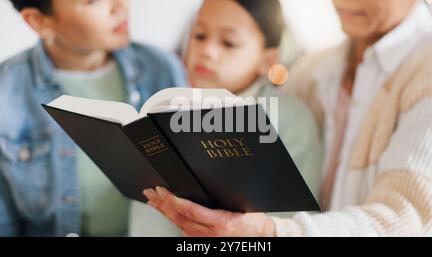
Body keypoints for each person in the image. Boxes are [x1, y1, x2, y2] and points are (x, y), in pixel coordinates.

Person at [143, 0, 432, 236]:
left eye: (229, 43)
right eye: (199, 36)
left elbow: (410, 217)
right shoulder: (314, 71)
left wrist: (270, 232)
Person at [129, 0, 322, 237]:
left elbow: (291, 220)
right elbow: (148, 210)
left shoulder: (290, 120)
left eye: (229, 43)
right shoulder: (165, 109)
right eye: (199, 36)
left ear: (268, 60)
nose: (207, 51)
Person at [0, 0, 186, 236]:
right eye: (93, 1)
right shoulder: (6, 92)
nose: (121, 6)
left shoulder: (162, 67)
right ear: (39, 21)